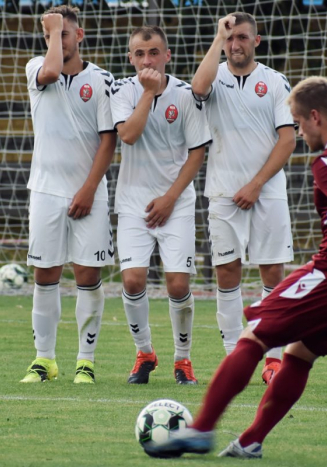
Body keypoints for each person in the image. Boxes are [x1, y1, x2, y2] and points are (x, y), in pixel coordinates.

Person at [144, 76, 327, 459]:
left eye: (299, 122)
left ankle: (201, 429)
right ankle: (250, 442)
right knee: (299, 354)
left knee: (253, 338)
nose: (299, 131)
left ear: (316, 117)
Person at [190, 12, 297, 384]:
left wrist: (255, 185)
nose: (236, 44)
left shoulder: (275, 81)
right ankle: (234, 358)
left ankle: (271, 361)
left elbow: (288, 139)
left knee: (272, 273)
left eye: (242, 38)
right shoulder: (214, 73)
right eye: (230, 38)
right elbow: (198, 89)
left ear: (257, 41)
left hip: (266, 193)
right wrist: (216, 39)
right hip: (222, 193)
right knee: (227, 273)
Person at [20, 6, 117, 384]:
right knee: (45, 273)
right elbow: (52, 70)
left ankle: (85, 361)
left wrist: (89, 189)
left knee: (87, 274)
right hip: (45, 190)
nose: (58, 40)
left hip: (89, 192)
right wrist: (52, 33)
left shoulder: (103, 80)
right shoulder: (36, 69)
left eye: (64, 33)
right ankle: (44, 360)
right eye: (51, 35)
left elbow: (109, 140)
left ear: (81, 35)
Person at [111, 26, 212, 385]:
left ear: (167, 56)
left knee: (177, 285)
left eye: (153, 52)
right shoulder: (122, 91)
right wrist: (148, 95)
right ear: (130, 58)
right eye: (139, 54)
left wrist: (171, 198)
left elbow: (198, 151)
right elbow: (128, 134)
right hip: (133, 202)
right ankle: (144, 353)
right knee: (133, 280)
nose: (147, 60)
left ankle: (183, 361)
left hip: (177, 203)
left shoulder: (187, 95)